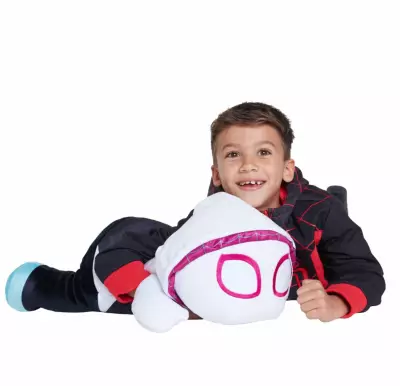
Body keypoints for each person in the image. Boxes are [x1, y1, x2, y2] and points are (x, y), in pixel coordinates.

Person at [5, 102, 385, 322]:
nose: (248, 165)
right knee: (115, 291)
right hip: (231, 294)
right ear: (217, 174)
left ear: (287, 168)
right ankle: (43, 284)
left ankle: (338, 198)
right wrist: (145, 290)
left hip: (285, 291)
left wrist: (336, 303)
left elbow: (366, 274)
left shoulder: (319, 213)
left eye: (263, 153)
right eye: (233, 154)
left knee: (338, 238)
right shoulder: (212, 216)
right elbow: (167, 251)